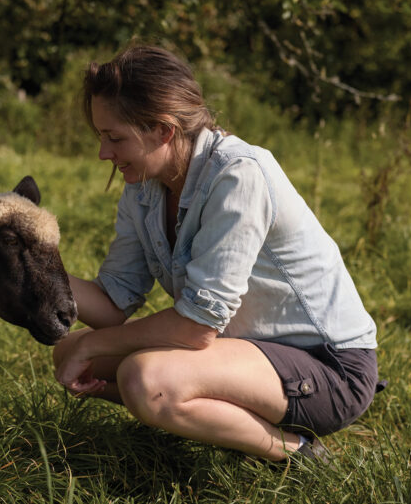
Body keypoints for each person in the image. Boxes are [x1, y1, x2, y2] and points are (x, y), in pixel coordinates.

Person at [53, 43, 382, 462]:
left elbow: (196, 328)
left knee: (144, 379)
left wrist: (94, 346)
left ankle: (293, 451)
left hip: (327, 368)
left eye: (114, 138)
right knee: (67, 351)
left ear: (163, 130)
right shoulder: (143, 188)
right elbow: (112, 303)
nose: (103, 153)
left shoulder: (238, 175)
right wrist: (32, 271)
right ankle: (226, 424)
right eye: (101, 137)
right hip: (250, 354)